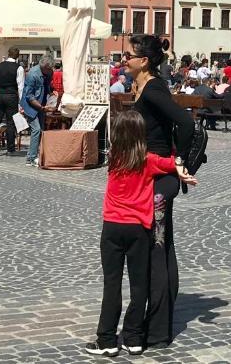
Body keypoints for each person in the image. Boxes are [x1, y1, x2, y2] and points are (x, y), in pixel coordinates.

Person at [84, 110, 196, 357]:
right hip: (139, 229)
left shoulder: (113, 159)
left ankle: (107, 340)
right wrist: (182, 172)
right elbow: (172, 163)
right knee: (139, 285)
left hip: (112, 227)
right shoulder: (148, 160)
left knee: (111, 284)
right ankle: (133, 337)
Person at [128, 34, 196, 349]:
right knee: (158, 247)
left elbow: (185, 122)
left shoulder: (154, 89)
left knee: (157, 250)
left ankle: (157, 330)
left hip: (158, 179)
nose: (123, 60)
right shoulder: (145, 87)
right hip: (148, 176)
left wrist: (177, 161)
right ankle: (155, 325)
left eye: (128, 55)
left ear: (144, 61)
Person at [21, 57, 54, 167]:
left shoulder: (49, 73)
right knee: (36, 130)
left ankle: (32, 156)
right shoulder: (33, 74)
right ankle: (32, 157)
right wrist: (41, 107)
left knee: (41, 130)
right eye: (49, 69)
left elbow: (47, 86)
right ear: (44, 67)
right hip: (31, 106)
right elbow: (28, 95)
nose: (51, 71)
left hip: (41, 104)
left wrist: (52, 92)